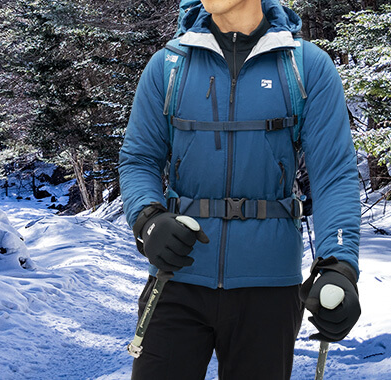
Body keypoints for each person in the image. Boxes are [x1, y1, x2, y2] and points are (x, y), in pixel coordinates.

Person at [117, 0, 362, 378]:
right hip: (176, 279)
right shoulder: (168, 66)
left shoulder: (305, 67)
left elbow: (333, 175)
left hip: (269, 289)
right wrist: (149, 219)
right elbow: (138, 160)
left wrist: (338, 264)